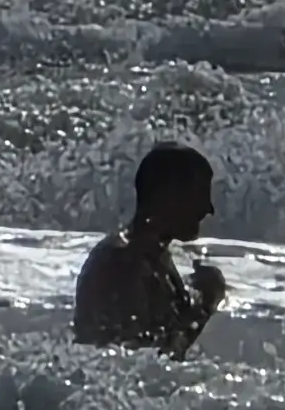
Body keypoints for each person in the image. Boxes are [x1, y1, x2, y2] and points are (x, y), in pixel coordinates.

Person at [75, 142, 228, 355]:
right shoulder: (123, 264)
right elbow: (144, 361)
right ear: (170, 195)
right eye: (200, 193)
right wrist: (205, 305)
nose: (208, 208)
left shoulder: (152, 253)